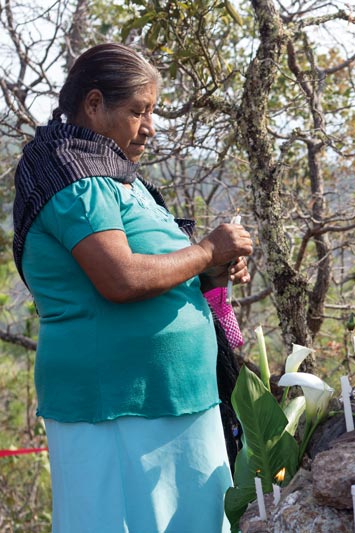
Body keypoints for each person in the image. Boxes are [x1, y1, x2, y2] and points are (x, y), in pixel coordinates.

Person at [12, 43, 253, 532]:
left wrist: (209, 271)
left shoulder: (117, 175)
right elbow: (120, 279)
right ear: (94, 104)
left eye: (153, 111)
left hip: (174, 397)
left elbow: (158, 267)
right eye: (138, 111)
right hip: (117, 403)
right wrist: (207, 250)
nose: (150, 127)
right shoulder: (70, 175)